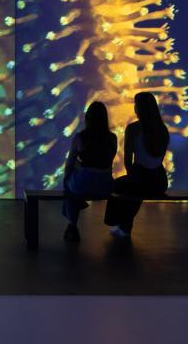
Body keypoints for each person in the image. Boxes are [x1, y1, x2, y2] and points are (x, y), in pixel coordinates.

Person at [105, 91, 170, 237]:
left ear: (138, 108)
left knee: (120, 187)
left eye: (136, 105)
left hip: (141, 177)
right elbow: (159, 159)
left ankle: (119, 223)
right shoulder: (163, 129)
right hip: (160, 181)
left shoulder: (133, 129)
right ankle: (125, 226)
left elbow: (128, 160)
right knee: (136, 190)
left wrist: (133, 178)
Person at [60, 101, 118, 243]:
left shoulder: (80, 138)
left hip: (83, 185)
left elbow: (69, 164)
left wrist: (74, 171)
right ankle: (78, 204)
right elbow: (108, 161)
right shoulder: (113, 138)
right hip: (105, 187)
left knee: (68, 190)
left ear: (87, 118)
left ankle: (72, 224)